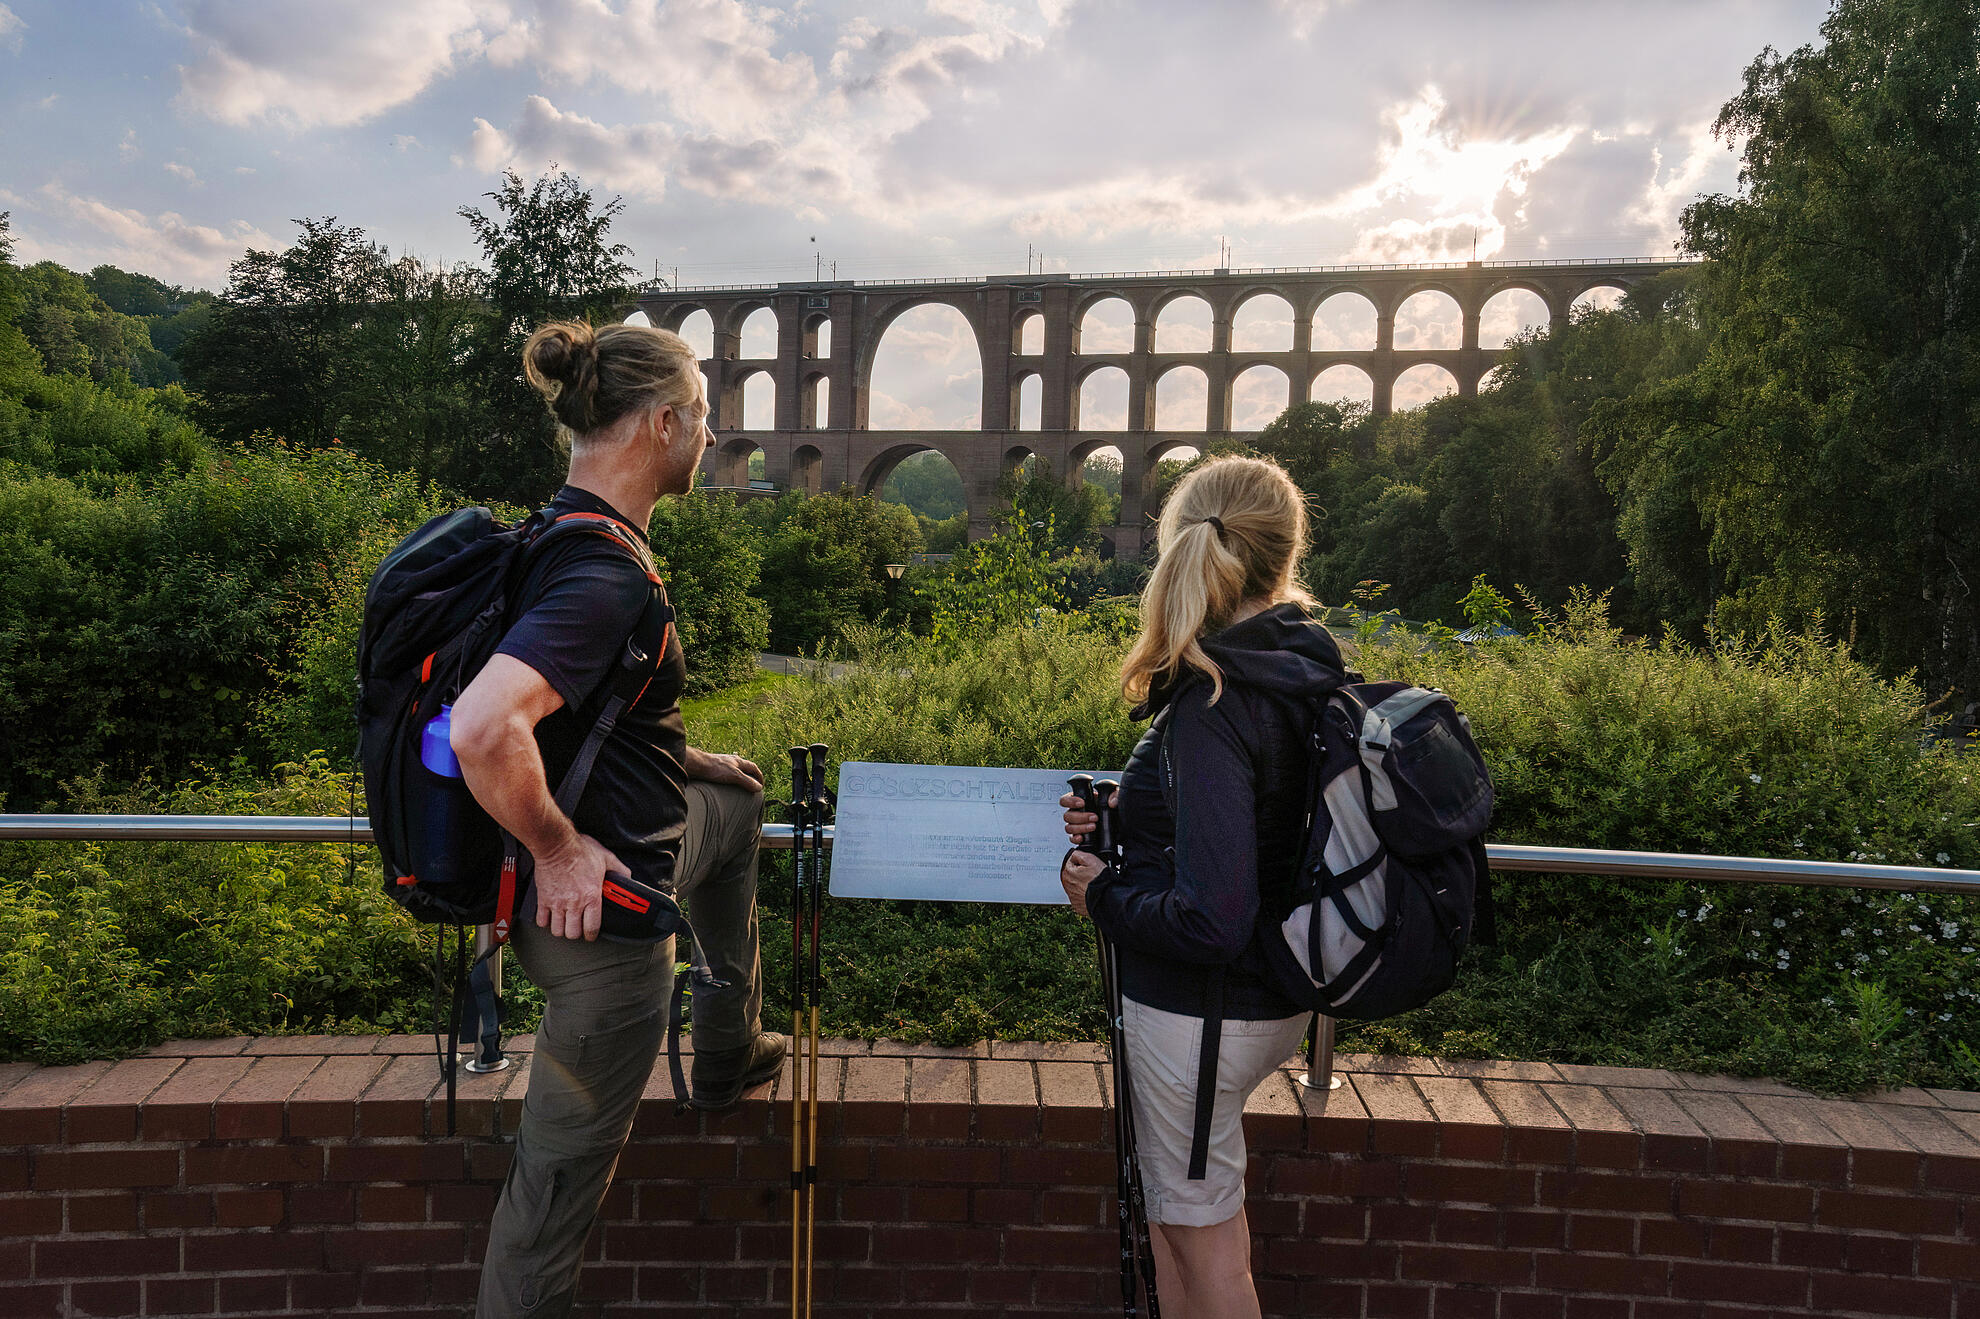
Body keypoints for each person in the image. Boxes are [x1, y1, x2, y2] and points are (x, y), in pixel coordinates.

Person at [452, 320, 786, 1319]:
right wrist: (558, 850)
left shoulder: (565, 533)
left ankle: (726, 1046)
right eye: (704, 415)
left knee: (736, 801)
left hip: (636, 857)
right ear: (663, 424)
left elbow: (583, 710)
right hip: (600, 927)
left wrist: (685, 757)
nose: (713, 435)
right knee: (550, 1202)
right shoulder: (603, 572)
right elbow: (484, 727)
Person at [1060, 454, 1342, 1319]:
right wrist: (1138, 811)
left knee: (1208, 1252)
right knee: (1183, 1231)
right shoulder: (1301, 665)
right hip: (1272, 992)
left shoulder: (1214, 695)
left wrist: (1102, 896)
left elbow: (1213, 917)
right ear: (1285, 556)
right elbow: (1261, 817)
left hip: (1201, 1011)